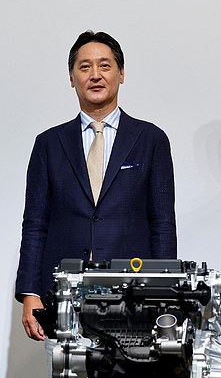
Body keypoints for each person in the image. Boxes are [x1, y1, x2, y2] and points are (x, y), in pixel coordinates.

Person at [16, 31, 177, 341]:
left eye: (104, 65)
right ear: (72, 77)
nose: (95, 75)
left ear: (121, 72)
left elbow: (162, 224)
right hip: (61, 299)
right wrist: (29, 292)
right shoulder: (49, 144)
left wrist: (164, 293)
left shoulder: (151, 140)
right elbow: (35, 224)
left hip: (133, 299)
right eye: (84, 67)